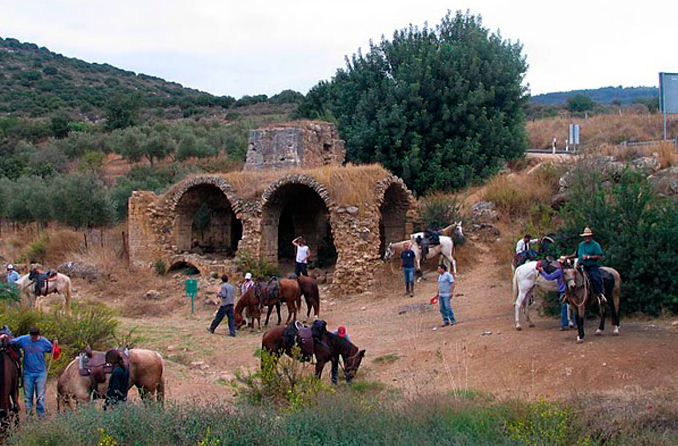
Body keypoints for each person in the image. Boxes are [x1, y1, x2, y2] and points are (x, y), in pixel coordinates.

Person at [11, 326, 60, 418]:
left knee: (40, 396)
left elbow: (53, 351)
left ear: (39, 335)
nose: (33, 338)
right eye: (32, 336)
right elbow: (12, 342)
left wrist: (55, 345)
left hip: (40, 373)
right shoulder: (24, 339)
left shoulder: (44, 342)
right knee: (28, 397)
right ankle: (29, 415)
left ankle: (41, 415)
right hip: (28, 373)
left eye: (35, 336)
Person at [564, 226, 606, 304]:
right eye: (585, 236)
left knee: (595, 278)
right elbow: (576, 254)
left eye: (588, 236)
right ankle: (568, 295)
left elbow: (600, 256)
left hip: (591, 266)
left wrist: (588, 257)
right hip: (580, 266)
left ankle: (600, 295)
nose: (587, 238)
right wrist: (567, 257)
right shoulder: (581, 245)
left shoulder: (595, 245)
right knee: (570, 276)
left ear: (591, 236)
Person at [537, 262, 574, 330]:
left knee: (564, 308)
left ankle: (564, 324)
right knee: (574, 307)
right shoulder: (572, 271)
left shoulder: (559, 271)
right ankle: (575, 323)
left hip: (563, 292)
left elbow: (549, 277)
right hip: (572, 291)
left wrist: (542, 271)